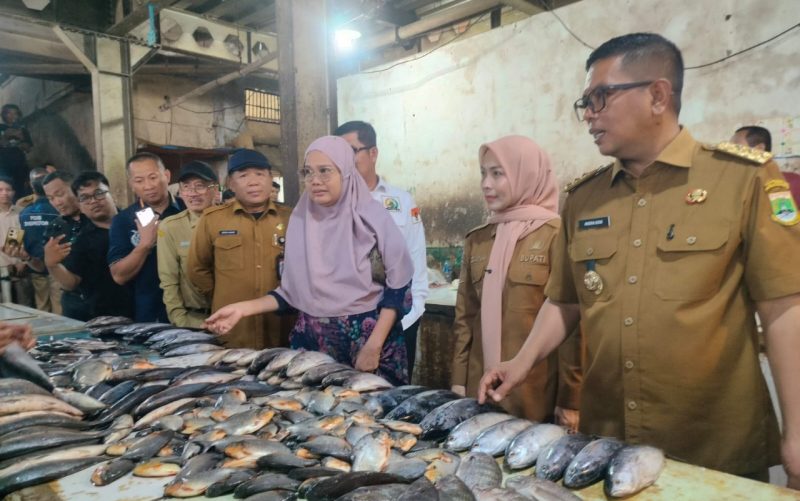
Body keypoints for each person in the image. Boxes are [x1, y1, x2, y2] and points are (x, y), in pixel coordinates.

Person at [478, 32, 800, 486]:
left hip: (712, 441)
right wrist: (521, 361)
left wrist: (797, 431)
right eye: (585, 102)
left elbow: (784, 307)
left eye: (601, 97)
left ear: (657, 95)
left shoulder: (741, 179)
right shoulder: (584, 199)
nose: (589, 114)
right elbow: (565, 301)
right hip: (608, 442)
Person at [205, 137, 413, 385]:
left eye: (325, 171)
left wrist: (374, 346)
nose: (315, 181)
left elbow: (399, 286)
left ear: (345, 172)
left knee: (372, 417)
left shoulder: (372, 216)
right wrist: (242, 309)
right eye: (308, 172)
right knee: (315, 418)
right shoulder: (302, 219)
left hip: (368, 340)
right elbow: (291, 292)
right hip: (312, 345)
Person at [451, 135, 581, 424]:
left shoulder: (557, 235)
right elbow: (465, 317)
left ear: (527, 175)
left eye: (498, 174)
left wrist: (570, 398)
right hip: (480, 386)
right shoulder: (479, 239)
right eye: (483, 173)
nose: (486, 183)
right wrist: (459, 380)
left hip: (536, 390)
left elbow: (573, 326)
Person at [335, 121, 429, 380]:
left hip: (398, 323)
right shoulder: (328, 204)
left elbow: (416, 262)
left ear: (373, 153)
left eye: (351, 151)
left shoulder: (401, 202)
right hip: (344, 327)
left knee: (391, 404)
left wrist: (410, 316)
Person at [188, 149, 290, 348]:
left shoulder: (292, 218)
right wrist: (223, 296)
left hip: (281, 326)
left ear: (271, 179)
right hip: (233, 330)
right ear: (231, 184)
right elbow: (197, 269)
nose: (253, 182)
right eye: (243, 176)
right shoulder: (212, 219)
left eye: (260, 174)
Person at [44, 172, 132, 318]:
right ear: (79, 204)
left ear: (113, 194)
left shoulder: (135, 222)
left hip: (146, 309)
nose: (93, 201)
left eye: (99, 193)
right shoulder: (82, 241)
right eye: (84, 198)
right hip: (107, 317)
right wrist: (52, 264)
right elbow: (71, 282)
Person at [108, 152, 184, 322]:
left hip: (193, 309)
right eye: (139, 181)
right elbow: (119, 276)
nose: (148, 186)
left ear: (167, 176)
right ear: (131, 185)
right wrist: (144, 244)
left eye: (153, 177)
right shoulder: (123, 220)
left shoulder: (188, 209)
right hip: (150, 313)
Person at [158, 161, 218, 328]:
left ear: (214, 188)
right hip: (194, 320)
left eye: (200, 186)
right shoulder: (171, 227)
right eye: (186, 187)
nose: (193, 193)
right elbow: (168, 280)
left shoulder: (233, 222)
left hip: (233, 318)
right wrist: (180, 320)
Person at [39, 171, 92, 320]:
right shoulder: (55, 227)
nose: (57, 202)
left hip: (110, 303)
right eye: (51, 198)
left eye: (60, 194)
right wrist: (27, 258)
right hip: (74, 306)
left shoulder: (103, 219)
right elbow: (42, 267)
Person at [18, 167, 60, 313]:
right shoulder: (57, 210)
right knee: (59, 308)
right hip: (57, 267)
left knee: (41, 306)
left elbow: (13, 242)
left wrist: (21, 258)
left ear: (33, 188)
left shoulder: (23, 212)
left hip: (34, 265)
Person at [0, 176, 32, 306]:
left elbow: (23, 240)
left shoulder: (22, 213)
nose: (4, 193)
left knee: (25, 307)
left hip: (19, 270)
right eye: (0, 189)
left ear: (14, 192)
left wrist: (22, 261)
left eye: (8, 189)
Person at [0, 104, 33, 200]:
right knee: (6, 187)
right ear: (4, 115)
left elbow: (28, 148)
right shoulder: (0, 128)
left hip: (19, 164)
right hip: (3, 165)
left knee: (20, 189)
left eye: (15, 113)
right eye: (9, 113)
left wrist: (21, 140)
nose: (13, 116)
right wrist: (5, 136)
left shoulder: (22, 129)